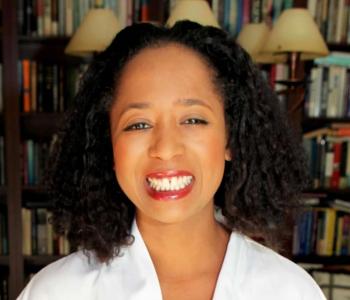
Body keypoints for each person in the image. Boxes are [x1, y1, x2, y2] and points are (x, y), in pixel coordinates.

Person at [17, 21, 326, 300]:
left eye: (192, 119)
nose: (165, 148)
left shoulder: (290, 291)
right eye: (138, 124)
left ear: (231, 139)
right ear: (108, 146)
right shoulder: (54, 292)